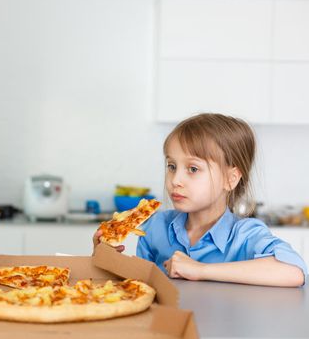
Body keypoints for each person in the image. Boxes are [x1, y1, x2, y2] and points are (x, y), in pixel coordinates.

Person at [94, 113, 307, 287]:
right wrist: (108, 259)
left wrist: (201, 270)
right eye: (171, 166)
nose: (175, 180)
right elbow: (138, 286)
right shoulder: (155, 227)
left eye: (193, 169)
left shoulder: (246, 235)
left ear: (230, 179)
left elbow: (294, 272)